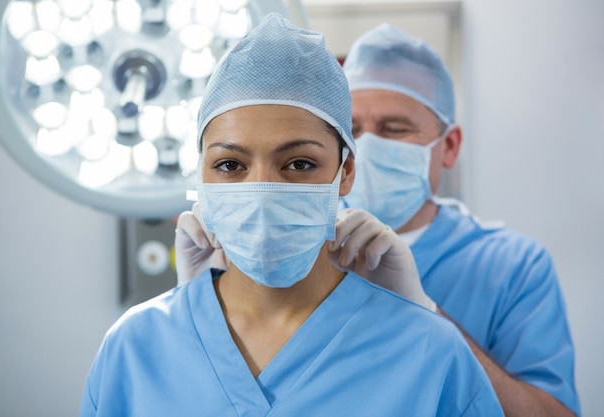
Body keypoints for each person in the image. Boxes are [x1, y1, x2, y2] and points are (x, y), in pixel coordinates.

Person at [81, 13, 504, 416]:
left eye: (299, 163)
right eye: (230, 165)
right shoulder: (135, 346)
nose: (262, 190)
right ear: (201, 175)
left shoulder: (430, 353)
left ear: (345, 173)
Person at [175, 23, 580, 417]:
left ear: (450, 145)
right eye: (354, 129)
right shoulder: (282, 244)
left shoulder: (510, 266)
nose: (368, 147)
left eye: (394, 129)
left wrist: (424, 310)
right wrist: (204, 310)